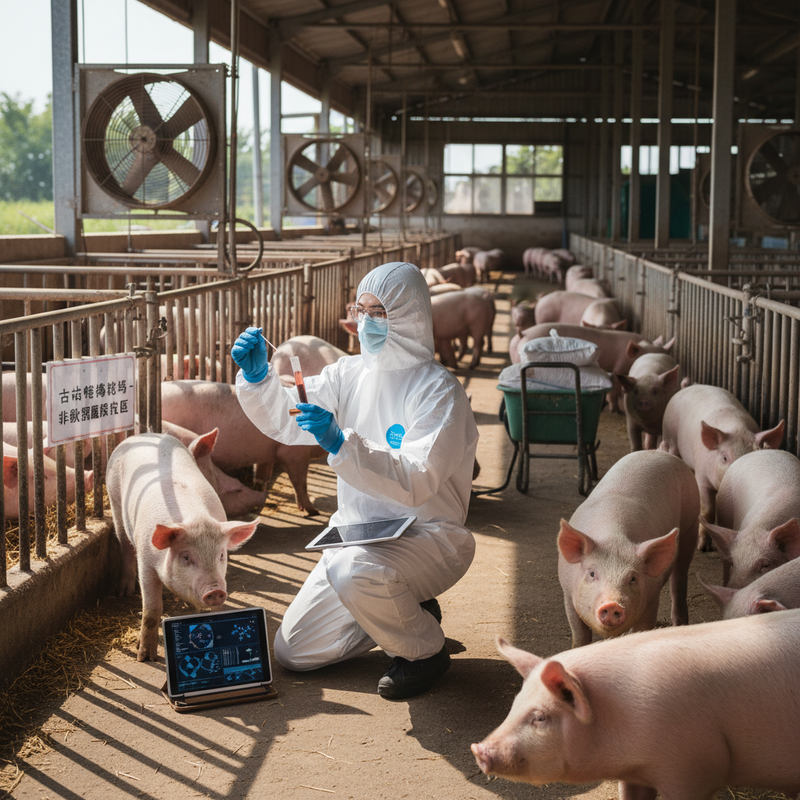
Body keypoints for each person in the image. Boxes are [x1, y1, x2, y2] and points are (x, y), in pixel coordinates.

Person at [232, 261, 479, 700]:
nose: (365, 321)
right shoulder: (349, 373)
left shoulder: (438, 391)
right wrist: (259, 380)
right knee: (295, 651)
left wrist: (341, 443)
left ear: (408, 315)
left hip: (428, 536)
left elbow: (417, 480)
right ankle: (406, 610)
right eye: (360, 310)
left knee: (353, 571)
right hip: (359, 535)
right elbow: (291, 418)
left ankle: (424, 651)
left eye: (378, 312)